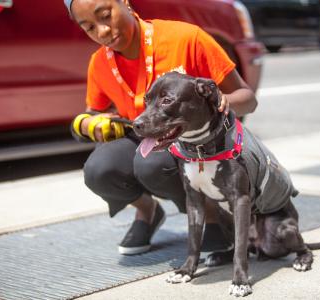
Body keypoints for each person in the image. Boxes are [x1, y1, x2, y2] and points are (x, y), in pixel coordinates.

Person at [64, 0, 257, 258]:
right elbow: (93, 112)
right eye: (88, 27)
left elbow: (248, 99)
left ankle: (213, 216)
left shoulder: (186, 38)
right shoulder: (99, 62)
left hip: (192, 138)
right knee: (99, 170)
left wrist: (221, 101)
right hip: (144, 131)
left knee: (153, 165)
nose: (102, 32)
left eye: (106, 15)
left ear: (124, 3)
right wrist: (89, 123)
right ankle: (147, 211)